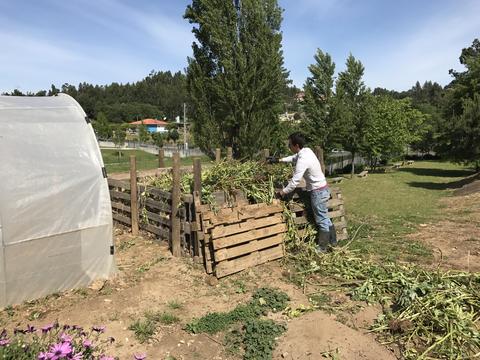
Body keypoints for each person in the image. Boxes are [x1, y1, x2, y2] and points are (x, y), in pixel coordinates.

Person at [269, 132, 336, 252]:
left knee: (321, 219)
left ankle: (322, 247)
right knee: (324, 217)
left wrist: (282, 193)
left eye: (290, 144)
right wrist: (278, 160)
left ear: (296, 145)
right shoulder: (307, 151)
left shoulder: (303, 159)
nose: (289, 147)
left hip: (318, 192)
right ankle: (333, 242)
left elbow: (295, 181)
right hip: (323, 188)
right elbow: (294, 157)